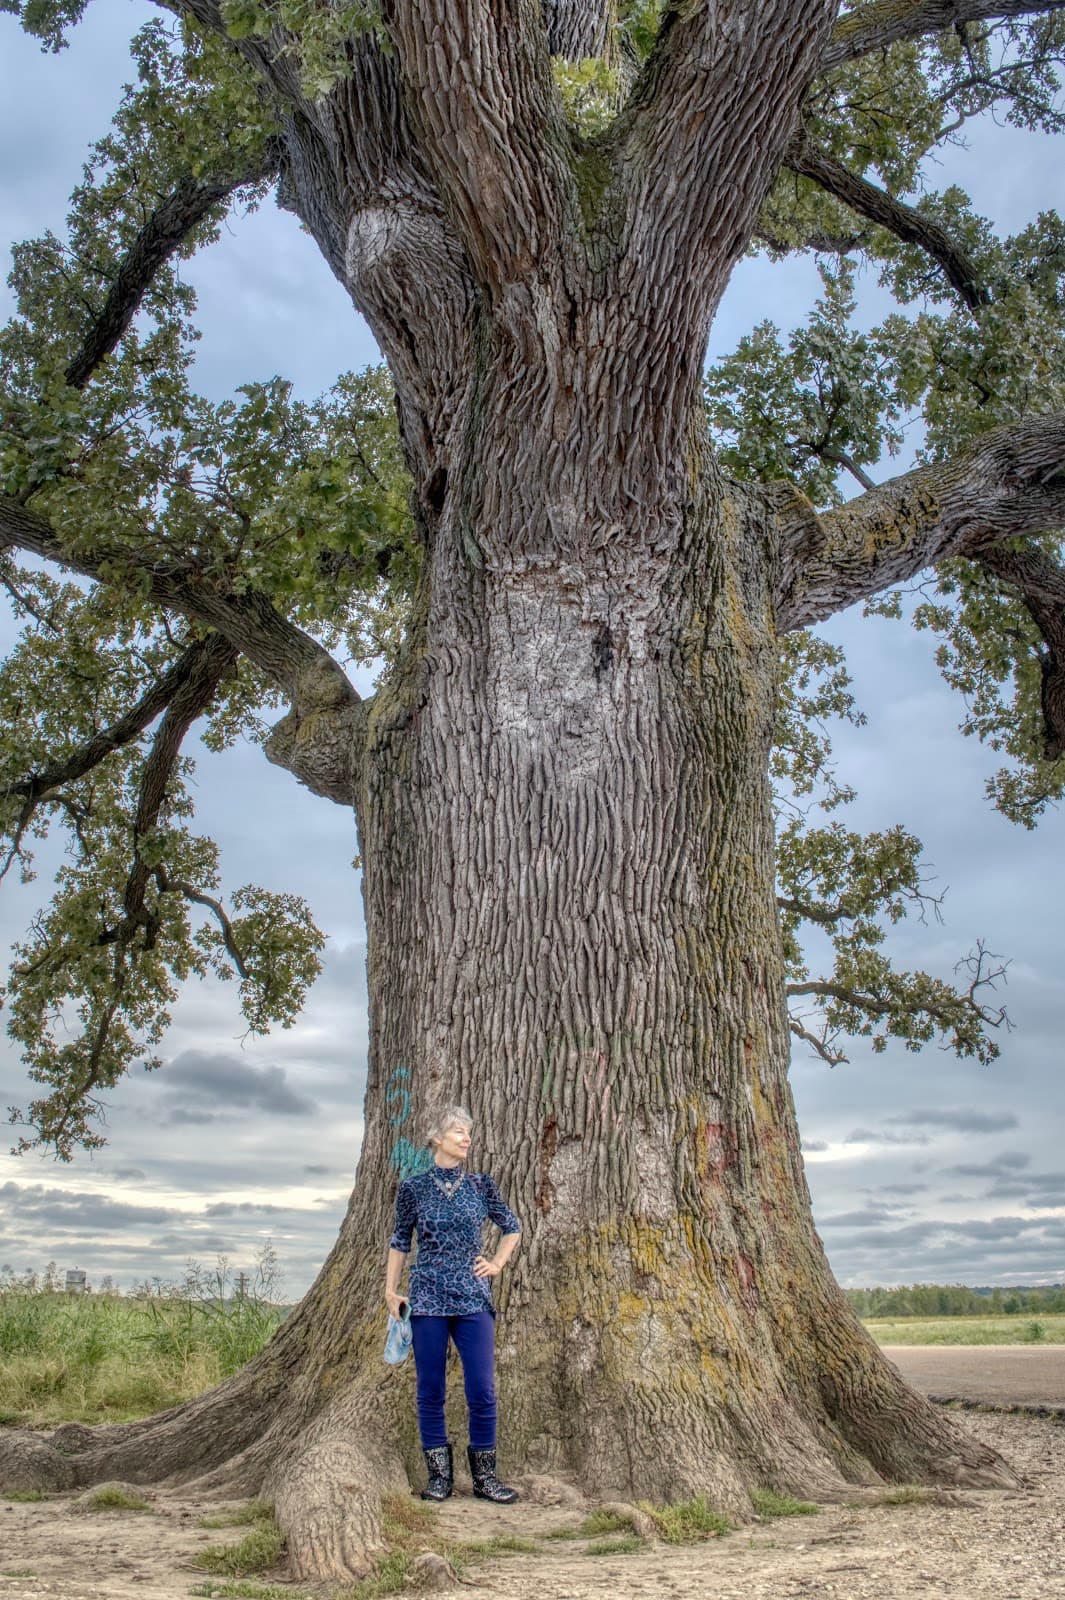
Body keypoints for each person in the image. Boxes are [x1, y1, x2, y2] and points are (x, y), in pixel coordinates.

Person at [385, 1104, 522, 1504]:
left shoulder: (481, 1185)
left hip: (472, 1299)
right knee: (431, 1390)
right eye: (460, 1132)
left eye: (469, 1133)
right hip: (426, 1299)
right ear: (437, 1138)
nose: (468, 1139)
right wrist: (390, 1291)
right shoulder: (413, 1188)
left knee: (482, 1389)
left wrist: (496, 1262)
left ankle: (485, 1477)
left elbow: (512, 1227)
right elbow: (399, 1242)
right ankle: (440, 1478)